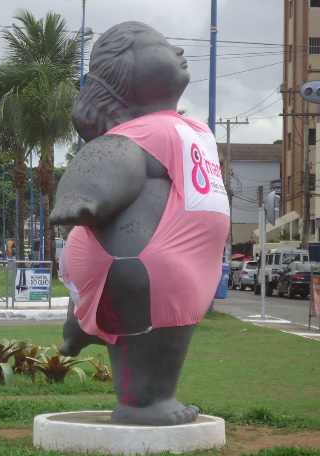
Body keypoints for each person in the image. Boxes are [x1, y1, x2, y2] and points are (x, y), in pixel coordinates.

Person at [50, 22, 229, 426]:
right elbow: (114, 159)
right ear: (124, 70)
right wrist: (83, 197)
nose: (177, 49)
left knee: (171, 313)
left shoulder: (191, 129)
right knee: (157, 319)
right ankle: (142, 402)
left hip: (176, 259)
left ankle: (83, 320)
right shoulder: (139, 133)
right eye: (160, 44)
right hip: (141, 261)